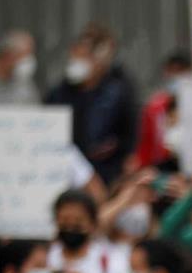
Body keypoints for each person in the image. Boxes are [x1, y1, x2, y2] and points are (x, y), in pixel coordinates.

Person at [44, 23, 137, 186]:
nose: (77, 61)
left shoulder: (118, 92)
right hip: (66, 172)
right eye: (75, 55)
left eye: (84, 56)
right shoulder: (59, 93)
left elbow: (129, 135)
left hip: (105, 172)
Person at [46, 189, 127, 273]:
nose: (70, 227)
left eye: (78, 222)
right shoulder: (44, 258)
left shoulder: (109, 260)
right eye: (64, 220)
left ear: (92, 224)